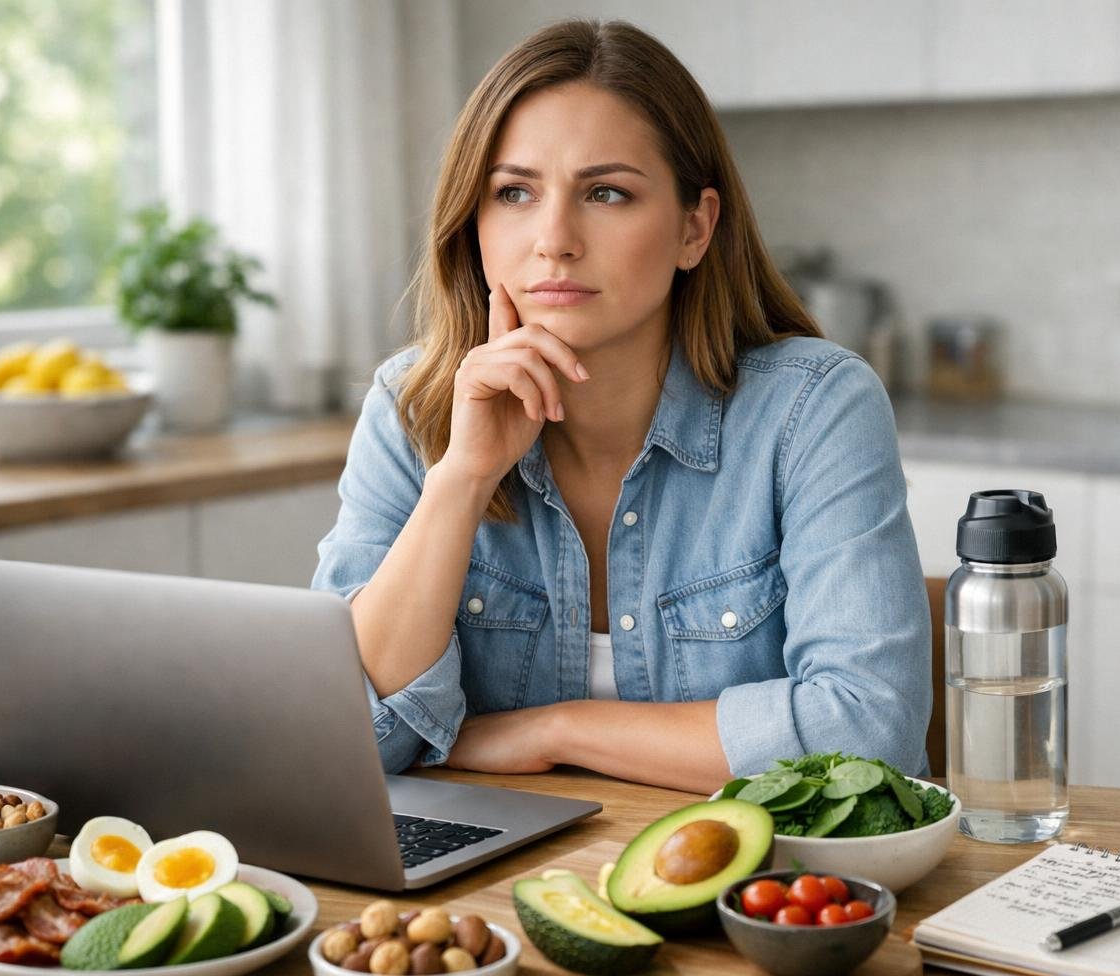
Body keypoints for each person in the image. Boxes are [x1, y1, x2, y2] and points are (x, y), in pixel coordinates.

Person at [313, 19, 929, 795]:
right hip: (497, 890)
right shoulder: (411, 408)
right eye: (514, 193)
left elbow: (870, 736)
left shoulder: (814, 409)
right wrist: (462, 479)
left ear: (694, 229)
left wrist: (553, 730)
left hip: (765, 894)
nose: (555, 239)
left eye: (606, 193)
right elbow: (347, 732)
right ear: (473, 227)